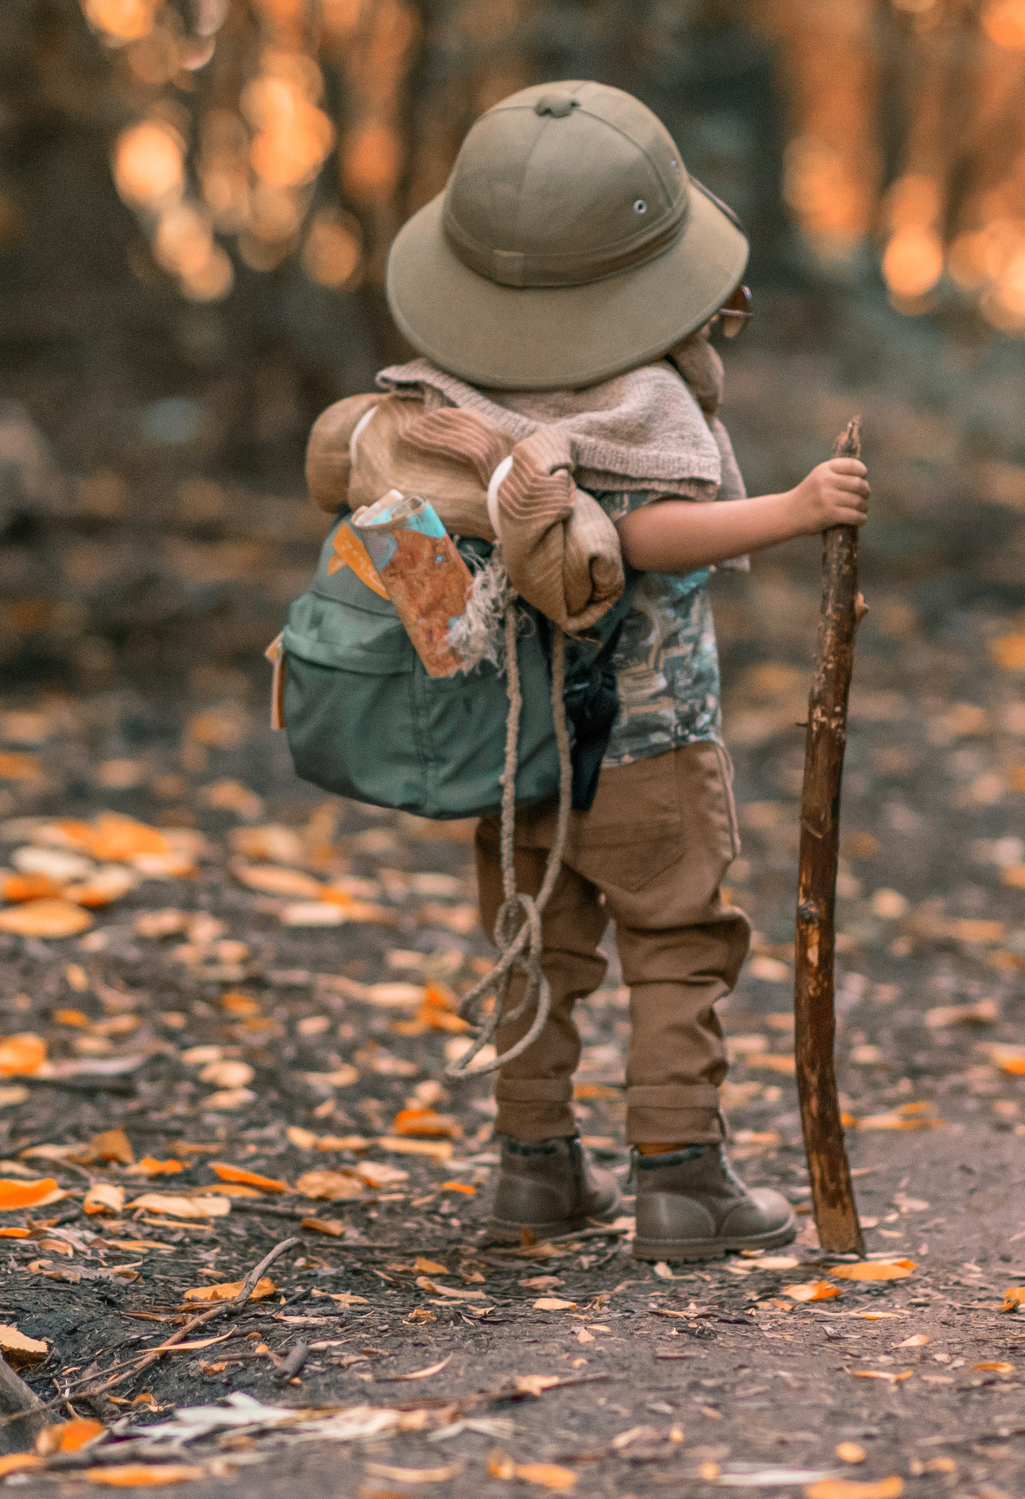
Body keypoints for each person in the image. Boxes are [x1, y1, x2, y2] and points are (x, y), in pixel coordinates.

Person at [376, 80, 869, 1259]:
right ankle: (680, 1179)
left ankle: (531, 1169)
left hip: (507, 743)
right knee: (676, 942)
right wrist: (792, 511)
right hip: (645, 741)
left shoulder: (448, 396)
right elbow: (643, 536)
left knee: (532, 946)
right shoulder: (640, 401)